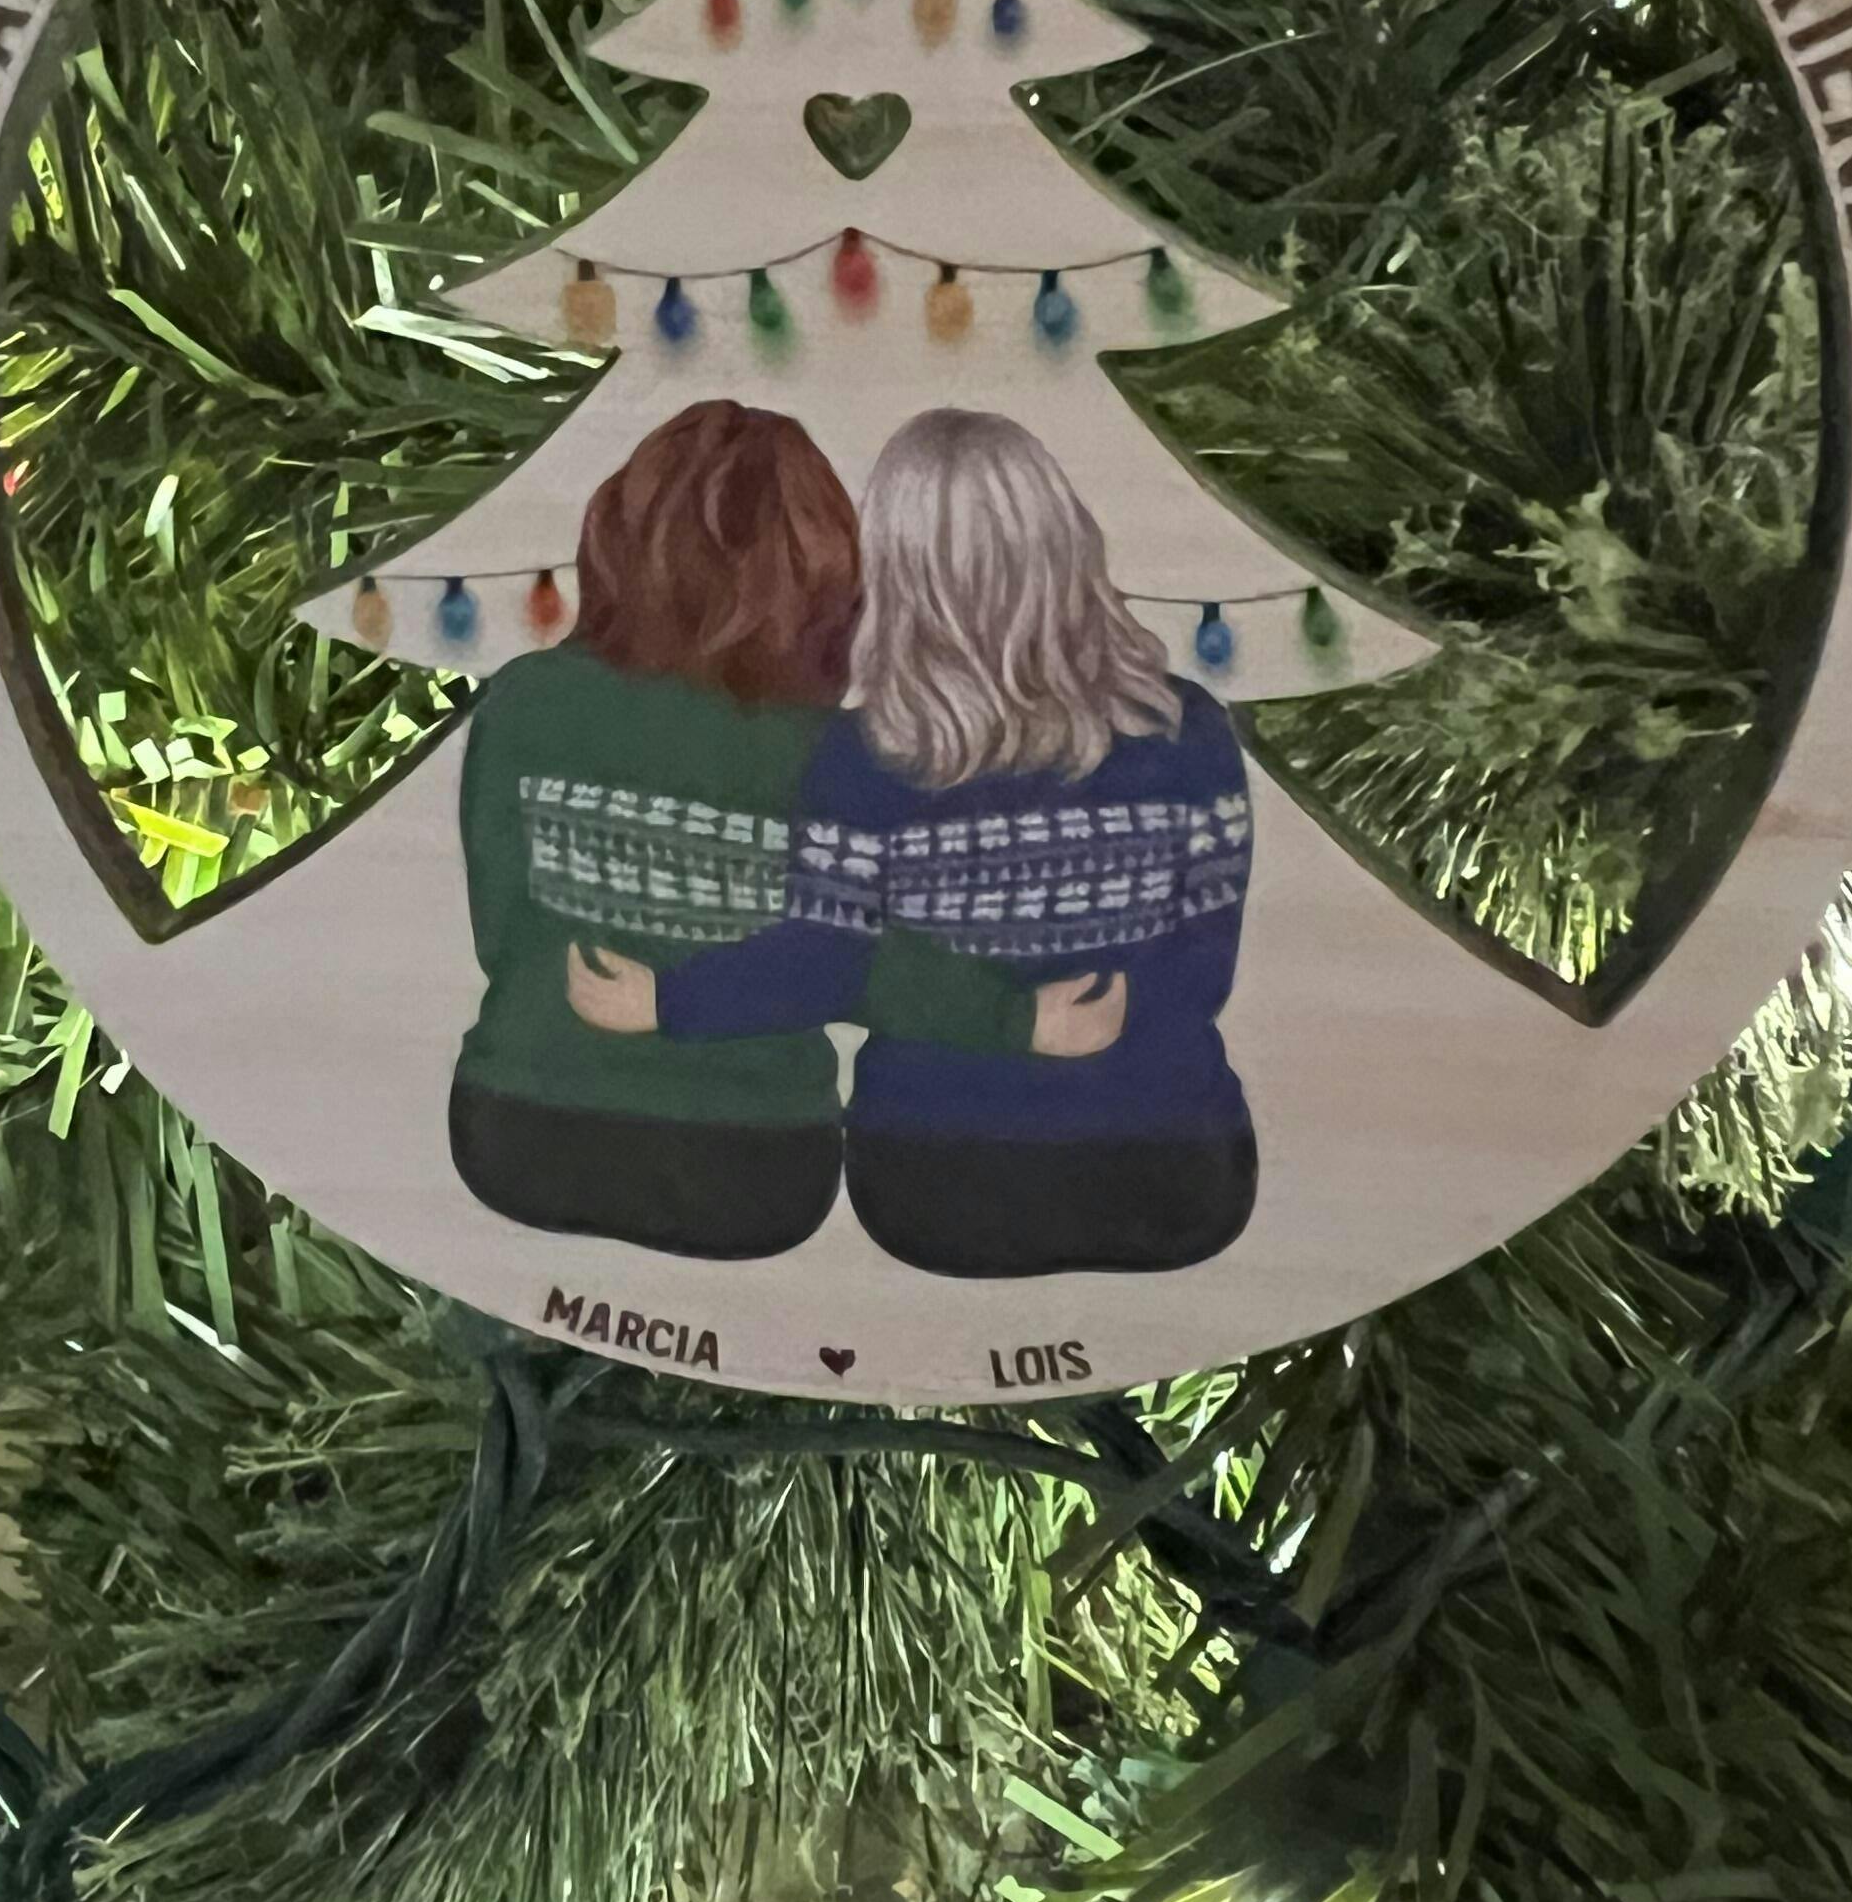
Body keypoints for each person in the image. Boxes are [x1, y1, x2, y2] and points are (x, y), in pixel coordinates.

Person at [568, 407, 1253, 1277]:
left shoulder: (859, 760)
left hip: (934, 1189)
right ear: (1066, 537)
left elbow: (825, 964)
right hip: (1179, 1177)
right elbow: (1202, 971)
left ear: (896, 569)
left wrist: (670, 1002)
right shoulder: (1191, 730)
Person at [451, 400, 1117, 1261]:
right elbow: (857, 970)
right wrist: (1014, 1019)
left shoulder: (525, 702)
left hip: (517, 1133)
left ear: (617, 536)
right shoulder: (843, 756)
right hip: (756, 1168)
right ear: (827, 576)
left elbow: (502, 932)